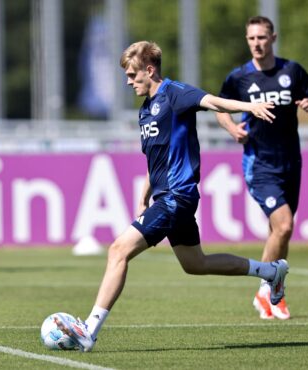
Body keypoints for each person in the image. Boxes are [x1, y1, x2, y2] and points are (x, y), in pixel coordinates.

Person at [55, 40, 289, 352]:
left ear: (149, 70)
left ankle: (89, 330)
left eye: (132, 74)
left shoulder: (174, 93)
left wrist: (249, 107)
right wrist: (144, 194)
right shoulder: (145, 111)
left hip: (177, 196)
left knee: (118, 250)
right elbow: (157, 159)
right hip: (164, 196)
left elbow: (213, 101)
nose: (128, 81)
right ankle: (272, 271)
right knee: (196, 264)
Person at [216, 16, 308, 320]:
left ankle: (276, 295)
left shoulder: (292, 71)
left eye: (262, 38)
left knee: (280, 232)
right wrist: (232, 129)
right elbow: (220, 109)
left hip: (291, 161)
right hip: (259, 163)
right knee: (285, 225)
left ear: (273, 37)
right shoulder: (239, 78)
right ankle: (265, 292)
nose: (257, 44)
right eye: (251, 38)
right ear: (247, 40)